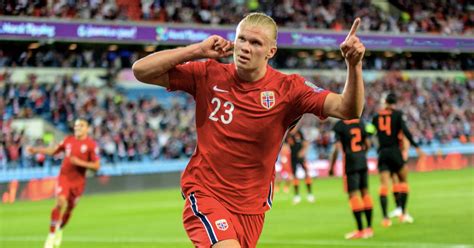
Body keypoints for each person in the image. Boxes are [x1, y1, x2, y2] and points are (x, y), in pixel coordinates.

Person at [132, 12, 365, 248]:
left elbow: (348, 110)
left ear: (270, 52)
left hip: (252, 206)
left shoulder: (290, 89)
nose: (245, 47)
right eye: (241, 39)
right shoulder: (208, 74)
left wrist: (353, 65)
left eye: (255, 43)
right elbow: (141, 70)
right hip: (206, 193)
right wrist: (197, 50)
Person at [28, 118, 100, 248]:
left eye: (81, 126)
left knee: (70, 208)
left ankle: (60, 229)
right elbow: (54, 150)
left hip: (78, 182)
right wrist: (37, 150)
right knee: (60, 202)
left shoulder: (91, 145)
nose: (77, 128)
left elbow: (96, 166)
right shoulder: (68, 140)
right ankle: (51, 235)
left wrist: (79, 163)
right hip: (64, 177)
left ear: (87, 128)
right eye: (76, 126)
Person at [372, 92, 423, 227]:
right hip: (395, 151)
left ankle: (385, 218)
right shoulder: (398, 115)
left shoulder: (376, 116)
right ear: (394, 103)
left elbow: (372, 133)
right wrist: (416, 147)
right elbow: (406, 131)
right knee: (403, 181)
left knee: (383, 186)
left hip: (382, 152)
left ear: (385, 103)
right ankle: (403, 213)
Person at [329, 119, 373, 239]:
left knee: (353, 195)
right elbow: (368, 144)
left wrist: (332, 167)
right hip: (362, 159)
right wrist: (362, 155)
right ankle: (369, 228)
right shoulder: (360, 122)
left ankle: (360, 230)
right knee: (365, 192)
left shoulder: (340, 125)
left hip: (350, 161)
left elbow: (337, 149)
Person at [286, 128, 314, 204]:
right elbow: (285, 144)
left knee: (306, 174)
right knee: (295, 176)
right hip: (293, 157)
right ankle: (297, 196)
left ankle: (310, 194)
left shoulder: (299, 132)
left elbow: (306, 142)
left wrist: (303, 151)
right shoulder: (288, 134)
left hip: (301, 158)